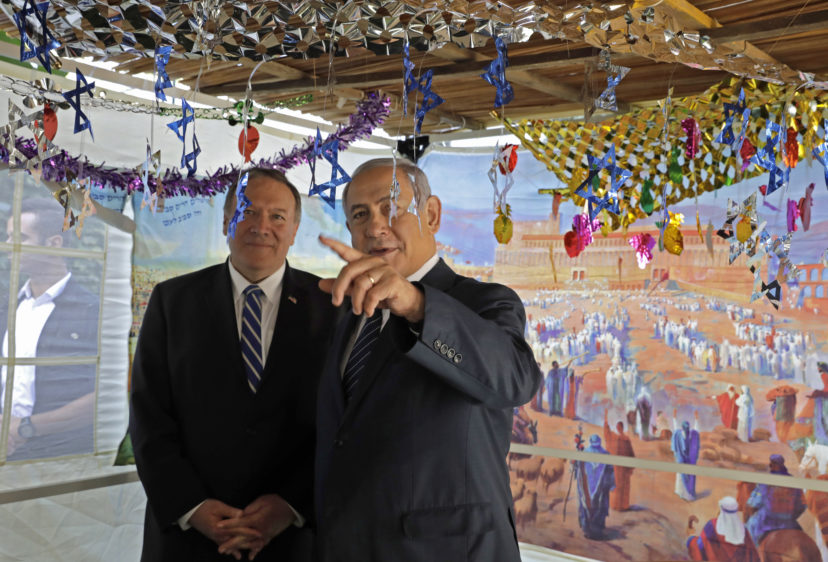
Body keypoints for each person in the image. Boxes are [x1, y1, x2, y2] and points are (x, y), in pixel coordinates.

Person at [313, 158, 541, 562]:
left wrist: (416, 305)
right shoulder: (348, 317)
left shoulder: (485, 302)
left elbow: (516, 379)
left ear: (431, 215)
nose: (376, 227)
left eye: (391, 208)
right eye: (360, 215)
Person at [129, 168, 335, 561]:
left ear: (294, 230)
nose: (261, 226)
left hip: (291, 541)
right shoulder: (172, 301)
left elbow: (340, 424)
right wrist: (192, 507)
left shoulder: (331, 307)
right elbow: (148, 416)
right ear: (226, 221)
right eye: (248, 211)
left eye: (277, 216)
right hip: (187, 540)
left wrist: (290, 505)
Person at [1, 197, 98, 461]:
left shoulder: (91, 310)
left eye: (20, 237)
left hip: (62, 459)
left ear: (54, 243)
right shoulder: (7, 307)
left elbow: (107, 393)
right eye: (8, 236)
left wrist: (26, 427)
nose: (8, 246)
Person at [746, 455, 806, 545]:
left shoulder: (765, 481)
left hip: (766, 521)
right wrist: (790, 516)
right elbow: (802, 506)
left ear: (772, 465)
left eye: (771, 464)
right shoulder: (794, 481)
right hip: (789, 523)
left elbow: (754, 503)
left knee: (750, 527)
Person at [687, 496, 760, 561]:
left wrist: (691, 539)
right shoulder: (743, 529)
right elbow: (753, 556)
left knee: (691, 540)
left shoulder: (711, 525)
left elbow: (700, 546)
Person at [574, 434, 615, 539]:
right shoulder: (604, 454)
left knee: (597, 505)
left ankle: (593, 528)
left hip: (599, 487)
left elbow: (610, 471)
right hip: (589, 487)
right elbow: (579, 470)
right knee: (589, 504)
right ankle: (589, 527)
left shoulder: (603, 454)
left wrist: (610, 484)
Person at [603, 409, 634, 511]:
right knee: (618, 487)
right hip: (619, 469)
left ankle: (620, 506)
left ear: (619, 428)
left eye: (619, 427)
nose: (618, 428)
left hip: (620, 469)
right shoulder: (619, 438)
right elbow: (606, 432)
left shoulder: (620, 439)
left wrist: (630, 468)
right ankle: (619, 506)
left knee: (620, 487)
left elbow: (631, 455)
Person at [672, 409, 701, 501]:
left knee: (681, 477)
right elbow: (697, 429)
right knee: (690, 477)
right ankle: (688, 495)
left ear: (682, 427)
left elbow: (675, 428)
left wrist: (674, 417)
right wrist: (696, 418)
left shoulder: (678, 434)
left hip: (681, 460)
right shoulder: (693, 435)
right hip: (690, 461)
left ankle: (681, 492)